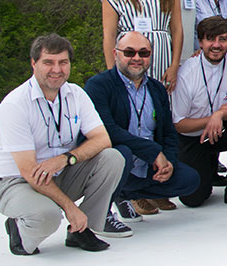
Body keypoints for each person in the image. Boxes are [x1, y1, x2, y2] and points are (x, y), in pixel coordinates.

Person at [0, 34, 126, 254]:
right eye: (48, 62)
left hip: (57, 173)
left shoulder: (76, 94)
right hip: (16, 182)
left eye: (63, 62)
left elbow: (103, 139)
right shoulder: (15, 104)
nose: (57, 69)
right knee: (48, 217)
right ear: (33, 63)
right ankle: (19, 228)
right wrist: (70, 208)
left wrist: (67, 158)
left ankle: (80, 230)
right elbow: (29, 171)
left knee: (113, 158)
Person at [85, 32, 199, 224]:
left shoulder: (156, 89)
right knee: (122, 154)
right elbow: (107, 131)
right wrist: (153, 152)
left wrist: (168, 162)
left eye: (143, 53)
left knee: (190, 180)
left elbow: (169, 133)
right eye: (129, 52)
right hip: (118, 162)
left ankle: (124, 193)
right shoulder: (99, 85)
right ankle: (107, 200)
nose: (137, 58)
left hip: (147, 167)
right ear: (115, 53)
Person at [171, 16, 227, 209]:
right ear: (200, 42)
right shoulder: (186, 73)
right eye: (210, 39)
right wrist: (212, 118)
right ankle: (208, 167)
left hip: (225, 126)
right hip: (194, 135)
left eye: (223, 39)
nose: (216, 45)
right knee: (193, 199)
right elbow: (180, 123)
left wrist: (219, 116)